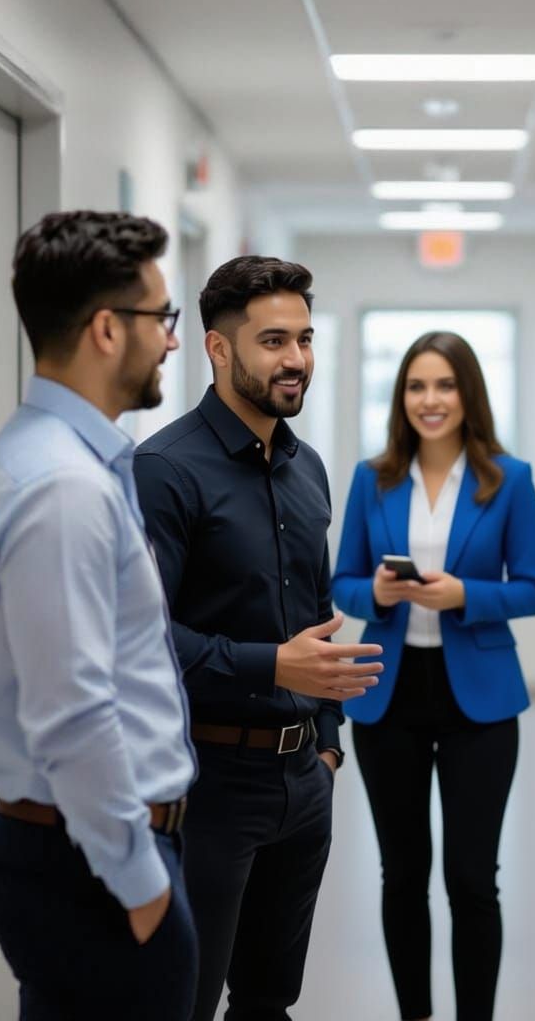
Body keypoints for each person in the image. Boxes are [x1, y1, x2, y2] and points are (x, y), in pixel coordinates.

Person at [0, 210, 199, 1019]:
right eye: (162, 317)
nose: (172, 340)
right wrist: (142, 885)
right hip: (93, 864)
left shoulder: (41, 456)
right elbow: (72, 713)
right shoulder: (63, 487)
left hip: (80, 848)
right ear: (106, 329)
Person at [133, 255, 382, 1021]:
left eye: (304, 340)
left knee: (270, 1002)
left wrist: (328, 744)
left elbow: (317, 612)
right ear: (218, 347)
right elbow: (141, 645)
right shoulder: (164, 471)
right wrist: (273, 665)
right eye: (273, 341)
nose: (296, 359)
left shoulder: (309, 471)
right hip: (206, 785)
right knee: (185, 1000)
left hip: (303, 780)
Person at [333, 330, 535, 1021]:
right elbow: (342, 582)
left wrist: (465, 595)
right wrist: (376, 594)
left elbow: (534, 589)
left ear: (468, 395)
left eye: (445, 385)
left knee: (471, 879)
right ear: (401, 397)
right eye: (417, 386)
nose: (431, 400)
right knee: (402, 875)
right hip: (389, 696)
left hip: (479, 703)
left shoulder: (509, 479)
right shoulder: (372, 478)